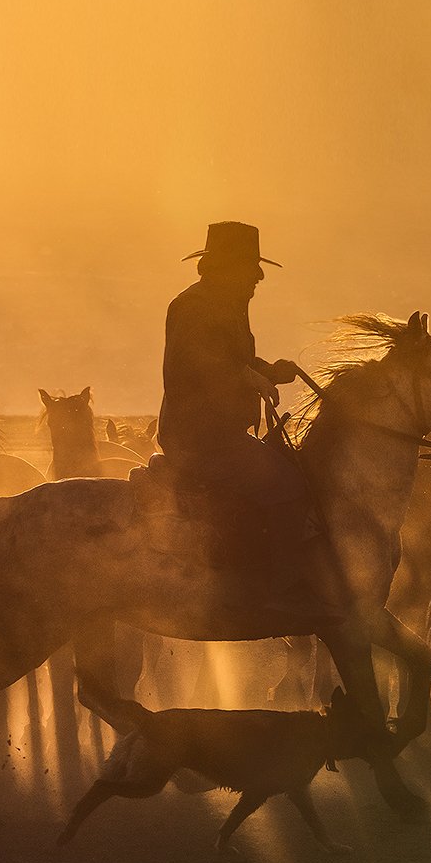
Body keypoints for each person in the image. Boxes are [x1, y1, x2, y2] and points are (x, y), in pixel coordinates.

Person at [158, 222, 330, 614]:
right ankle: (279, 590)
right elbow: (194, 365)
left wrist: (267, 370)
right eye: (251, 271)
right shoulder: (193, 306)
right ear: (227, 269)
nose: (257, 280)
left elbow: (231, 361)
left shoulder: (223, 305)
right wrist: (249, 377)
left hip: (218, 433)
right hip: (200, 437)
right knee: (288, 486)